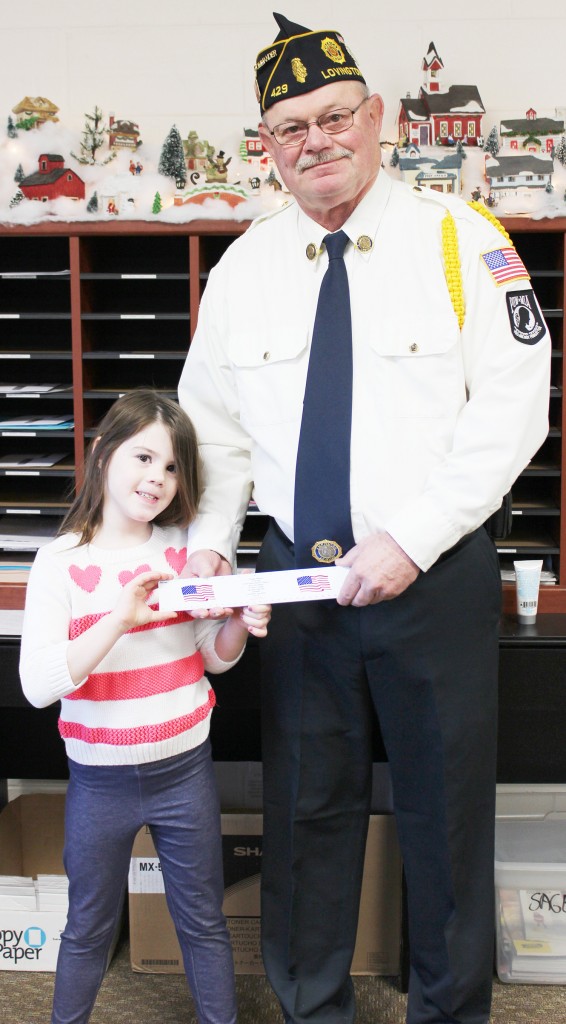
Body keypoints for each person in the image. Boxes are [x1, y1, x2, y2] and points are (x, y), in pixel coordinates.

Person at [178, 13, 551, 1024]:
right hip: (297, 579)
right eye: (288, 126)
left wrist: (412, 536)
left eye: (333, 115)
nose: (315, 140)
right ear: (265, 145)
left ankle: (447, 1010)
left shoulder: (462, 241)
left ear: (375, 117)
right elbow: (213, 441)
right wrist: (212, 566)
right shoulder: (243, 270)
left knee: (442, 817)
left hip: (432, 577)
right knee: (303, 814)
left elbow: (512, 409)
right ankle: (311, 1006)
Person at [19, 389, 271, 1024]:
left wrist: (239, 623)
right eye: (143, 458)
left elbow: (210, 657)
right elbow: (38, 684)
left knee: (203, 921)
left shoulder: (184, 550)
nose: (157, 479)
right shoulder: (58, 563)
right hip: (98, 783)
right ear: (103, 453)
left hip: (184, 772)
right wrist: (119, 617)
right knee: (88, 927)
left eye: (172, 466)